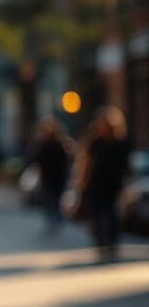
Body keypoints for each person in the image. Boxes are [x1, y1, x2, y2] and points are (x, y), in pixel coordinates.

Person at [75, 106, 131, 259]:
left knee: (111, 214)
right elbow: (85, 163)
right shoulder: (94, 142)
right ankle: (101, 241)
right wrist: (82, 182)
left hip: (113, 185)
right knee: (97, 214)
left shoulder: (121, 143)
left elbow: (126, 166)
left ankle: (111, 242)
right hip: (95, 185)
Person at [28, 118, 72, 232]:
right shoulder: (43, 144)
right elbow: (37, 159)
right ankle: (54, 219)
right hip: (49, 177)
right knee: (50, 199)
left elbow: (65, 161)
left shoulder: (60, 144)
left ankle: (56, 219)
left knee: (55, 199)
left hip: (57, 177)